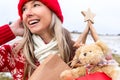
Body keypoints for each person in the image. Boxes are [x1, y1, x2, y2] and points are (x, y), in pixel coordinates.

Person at [0, 0, 112, 80]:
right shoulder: (15, 53)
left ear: (53, 12)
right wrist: (10, 30)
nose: (27, 13)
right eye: (24, 9)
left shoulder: (78, 52)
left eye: (36, 5)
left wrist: (105, 62)